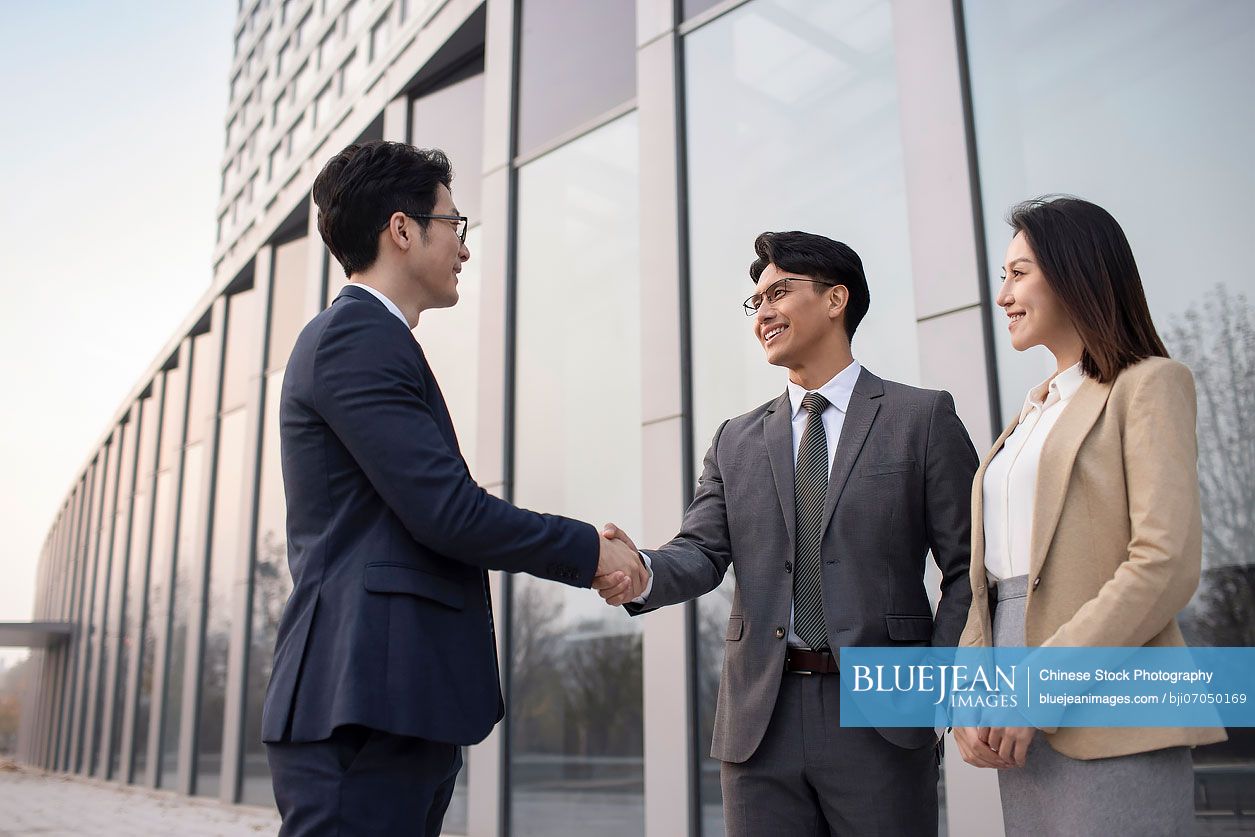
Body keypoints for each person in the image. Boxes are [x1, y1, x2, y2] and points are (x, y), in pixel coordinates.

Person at [260, 141, 646, 837]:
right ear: (402, 229)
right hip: (361, 705)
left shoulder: (374, 340)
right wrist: (589, 549)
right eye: (453, 224)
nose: (463, 248)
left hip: (390, 701)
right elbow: (447, 512)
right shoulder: (353, 337)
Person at [598, 230, 978, 836]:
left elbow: (967, 567)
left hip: (882, 712)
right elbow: (700, 551)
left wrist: (933, 686)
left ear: (836, 300)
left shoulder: (921, 418)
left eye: (779, 292)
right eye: (756, 302)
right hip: (760, 721)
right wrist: (641, 572)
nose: (763, 313)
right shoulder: (735, 439)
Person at [951, 196, 1227, 835]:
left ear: (1074, 270)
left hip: (1110, 708)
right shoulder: (1027, 417)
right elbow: (987, 585)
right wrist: (967, 695)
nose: (1003, 296)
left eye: (1018, 273)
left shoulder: (1149, 384)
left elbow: (1164, 563)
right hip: (1012, 715)